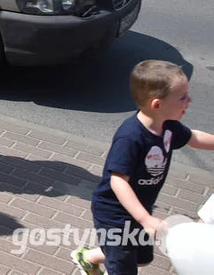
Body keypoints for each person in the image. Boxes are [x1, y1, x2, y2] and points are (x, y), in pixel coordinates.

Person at [71, 61, 214, 275]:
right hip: (115, 215)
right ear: (157, 104)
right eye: (182, 97)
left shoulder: (168, 125)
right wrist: (145, 219)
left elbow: (192, 137)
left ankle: (88, 257)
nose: (189, 101)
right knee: (124, 268)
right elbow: (117, 180)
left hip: (140, 209)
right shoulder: (131, 137)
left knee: (142, 259)